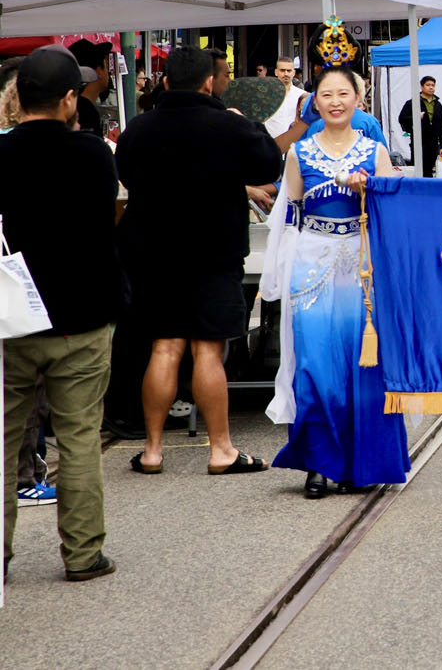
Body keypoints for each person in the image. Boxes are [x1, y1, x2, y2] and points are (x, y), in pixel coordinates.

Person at [116, 45, 282, 478]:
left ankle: (152, 450)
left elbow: (126, 175)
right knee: (208, 349)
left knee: (164, 347)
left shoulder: (139, 128)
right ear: (209, 82)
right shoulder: (229, 125)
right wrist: (248, 123)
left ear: (165, 81)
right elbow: (268, 164)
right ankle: (221, 449)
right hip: (215, 252)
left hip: (154, 255)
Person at [1, 48, 125, 582]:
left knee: (3, 441)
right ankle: (82, 552)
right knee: (78, 437)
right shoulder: (93, 154)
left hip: (9, 319)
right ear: (70, 98)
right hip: (81, 315)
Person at [266, 68, 410, 498]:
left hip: (361, 269)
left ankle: (357, 464)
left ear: (357, 100)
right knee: (314, 364)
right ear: (315, 103)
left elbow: (393, 211)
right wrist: (283, 269)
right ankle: (318, 463)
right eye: (326, 94)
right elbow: (290, 215)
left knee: (361, 366)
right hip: (311, 265)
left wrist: (373, 189)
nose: (335, 102)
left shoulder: (374, 150)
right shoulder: (299, 153)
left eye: (343, 93)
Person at [398, 75, 442, 178]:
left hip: (433, 142)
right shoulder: (412, 103)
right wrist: (415, 117)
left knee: (429, 169)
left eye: (433, 85)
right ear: (422, 87)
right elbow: (402, 118)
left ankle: (428, 187)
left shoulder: (438, 104)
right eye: (428, 85)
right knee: (418, 168)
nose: (431, 87)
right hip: (418, 141)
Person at [67, 38, 113, 138]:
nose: (108, 73)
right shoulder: (86, 112)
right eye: (105, 67)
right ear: (99, 71)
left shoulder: (70, 106)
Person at [264, 56, 309, 144]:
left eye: (289, 71)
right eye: (282, 70)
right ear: (276, 72)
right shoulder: (266, 96)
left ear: (294, 72)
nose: (286, 74)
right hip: (271, 144)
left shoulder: (302, 95)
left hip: (295, 145)